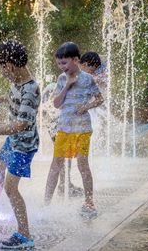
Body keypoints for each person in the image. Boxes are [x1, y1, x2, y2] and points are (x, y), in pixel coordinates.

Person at [0, 40, 40, 249]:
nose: (2, 72)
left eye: (2, 67)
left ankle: (25, 235)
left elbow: (21, 124)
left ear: (10, 64)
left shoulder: (31, 89)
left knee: (11, 188)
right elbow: (12, 98)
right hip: (13, 141)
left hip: (24, 145)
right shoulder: (18, 82)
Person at [44, 42, 103, 219]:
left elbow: (100, 99)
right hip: (64, 128)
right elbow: (56, 103)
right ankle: (46, 203)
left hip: (83, 129)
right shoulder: (62, 79)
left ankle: (89, 202)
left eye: (65, 63)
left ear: (76, 60)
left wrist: (86, 106)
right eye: (59, 64)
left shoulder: (88, 79)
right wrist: (67, 84)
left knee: (82, 164)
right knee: (56, 165)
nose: (62, 67)